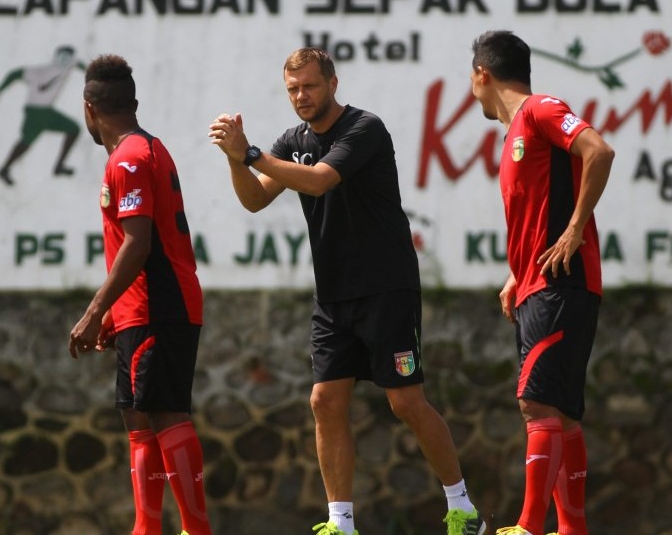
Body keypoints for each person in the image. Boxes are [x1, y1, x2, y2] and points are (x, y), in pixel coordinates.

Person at [208, 47, 485, 535]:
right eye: (292, 89)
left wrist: (253, 154)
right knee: (324, 401)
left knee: (405, 403)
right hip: (333, 295)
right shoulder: (291, 141)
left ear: (333, 83)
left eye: (309, 86)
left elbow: (319, 182)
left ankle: (462, 507)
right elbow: (254, 200)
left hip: (387, 288)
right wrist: (237, 161)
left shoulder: (364, 128)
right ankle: (341, 523)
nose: (301, 96)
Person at [469, 31, 614, 535]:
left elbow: (599, 150)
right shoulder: (513, 136)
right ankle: (572, 530)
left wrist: (575, 229)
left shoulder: (540, 110)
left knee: (536, 403)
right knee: (563, 413)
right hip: (538, 283)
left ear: (481, 75)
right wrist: (516, 272)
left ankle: (529, 526)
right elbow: (538, 214)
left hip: (560, 283)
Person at [69, 54, 212, 535]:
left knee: (166, 411)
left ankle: (196, 528)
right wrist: (115, 313)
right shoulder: (142, 150)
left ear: (89, 109)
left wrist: (93, 311)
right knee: (137, 414)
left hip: (159, 304)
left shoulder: (128, 158)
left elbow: (138, 242)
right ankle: (146, 529)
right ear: (133, 102)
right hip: (140, 307)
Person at [0, 45, 85, 186]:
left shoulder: (63, 65)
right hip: (39, 112)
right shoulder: (43, 71)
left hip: (40, 111)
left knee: (26, 142)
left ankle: (5, 168)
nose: (65, 60)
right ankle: (57, 166)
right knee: (71, 130)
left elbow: (14, 74)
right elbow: (14, 74)